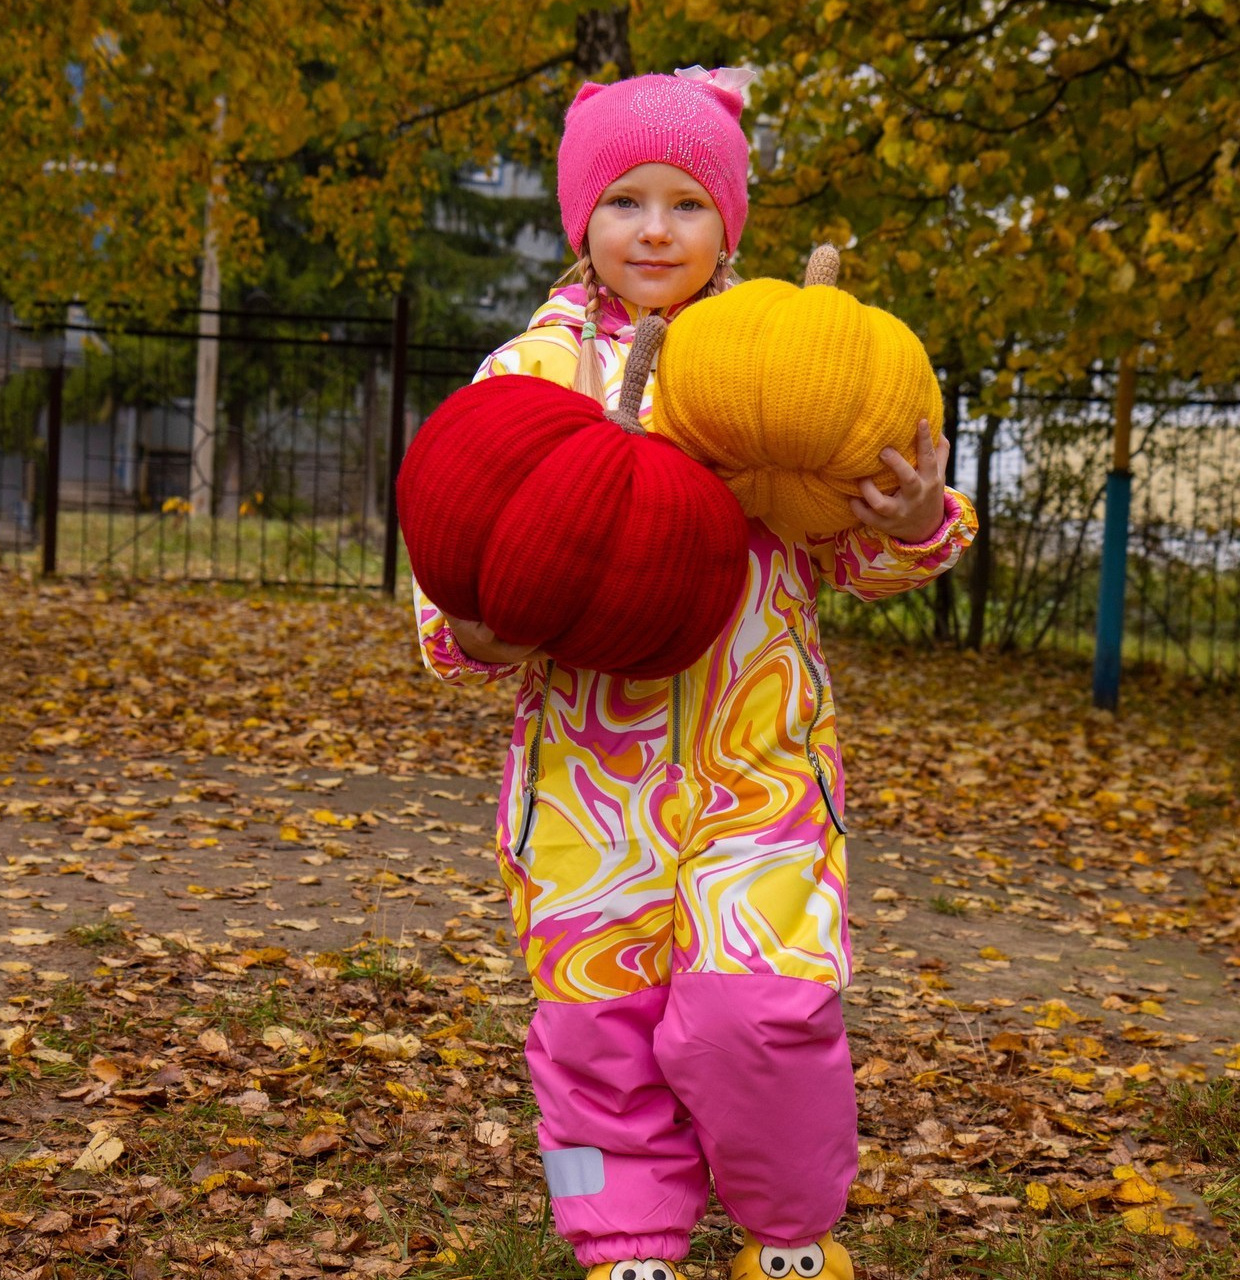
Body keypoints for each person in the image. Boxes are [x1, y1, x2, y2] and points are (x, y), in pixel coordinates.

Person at [412, 66, 977, 1280]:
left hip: (757, 764)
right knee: (589, 1027)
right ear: (582, 219)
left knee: (763, 1010)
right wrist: (473, 629)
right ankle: (615, 1234)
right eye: (624, 201)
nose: (655, 229)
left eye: (685, 203)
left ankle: (791, 1226)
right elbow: (458, 543)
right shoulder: (527, 376)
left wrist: (911, 519)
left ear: (728, 222)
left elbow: (855, 555)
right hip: (581, 782)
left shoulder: (785, 366)